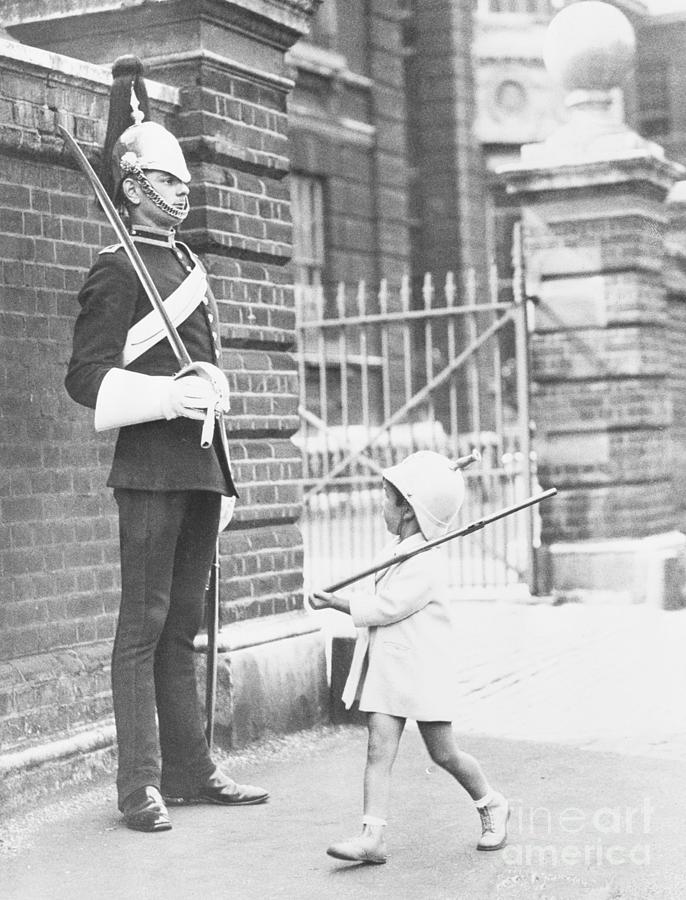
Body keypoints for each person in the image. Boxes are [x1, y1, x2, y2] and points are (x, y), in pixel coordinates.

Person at [65, 56, 268, 832]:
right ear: (133, 187)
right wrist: (163, 394)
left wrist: (213, 390)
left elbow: (197, 364)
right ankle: (138, 785)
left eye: (183, 182)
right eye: (167, 180)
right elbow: (85, 378)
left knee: (183, 625)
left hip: (197, 466)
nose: (182, 192)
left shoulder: (186, 264)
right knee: (142, 627)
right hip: (148, 470)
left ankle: (189, 768)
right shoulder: (115, 270)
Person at [311, 450, 509, 864]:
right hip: (389, 669)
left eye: (387, 499)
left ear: (408, 511)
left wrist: (337, 603)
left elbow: (387, 607)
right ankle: (372, 836)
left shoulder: (426, 563)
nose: (382, 506)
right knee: (377, 751)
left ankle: (491, 803)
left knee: (444, 753)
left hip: (421, 672)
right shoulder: (398, 549)